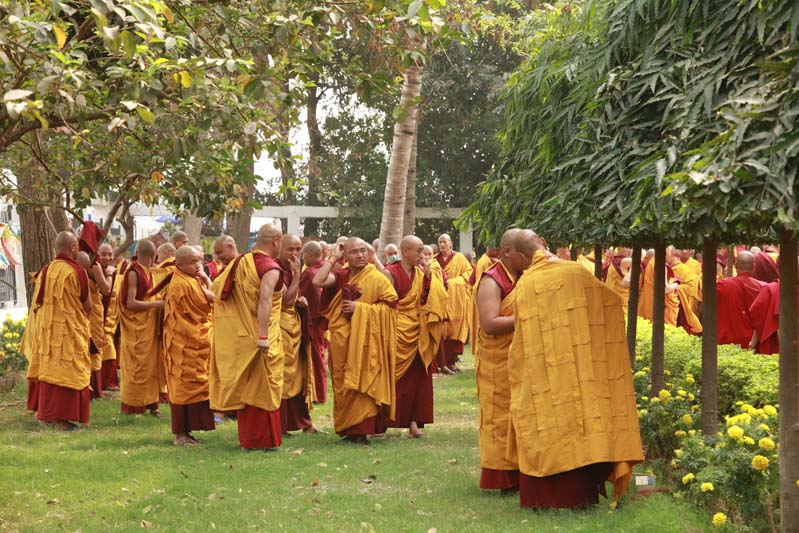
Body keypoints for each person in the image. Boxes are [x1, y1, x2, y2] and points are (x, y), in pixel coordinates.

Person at [508, 229, 643, 509]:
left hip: (543, 369)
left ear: (521, 255)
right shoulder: (577, 271)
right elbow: (610, 302)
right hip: (581, 365)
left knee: (545, 419)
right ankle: (582, 494)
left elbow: (522, 338)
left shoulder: (527, 283)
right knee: (582, 418)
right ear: (544, 243)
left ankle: (546, 496)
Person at [313, 237, 398, 444]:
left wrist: (360, 309)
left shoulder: (377, 278)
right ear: (346, 255)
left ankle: (362, 430)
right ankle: (349, 429)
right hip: (341, 339)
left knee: (363, 377)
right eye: (354, 252)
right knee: (342, 379)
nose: (360, 255)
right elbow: (318, 281)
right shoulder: (341, 276)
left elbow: (391, 309)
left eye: (363, 251)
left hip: (367, 341)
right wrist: (333, 258)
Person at [209, 223, 285, 450]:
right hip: (261, 336)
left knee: (250, 388)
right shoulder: (269, 267)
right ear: (276, 241)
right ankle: (261, 441)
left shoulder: (240, 262)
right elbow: (265, 301)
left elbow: (216, 291)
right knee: (263, 388)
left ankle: (251, 441)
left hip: (241, 335)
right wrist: (262, 335)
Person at [474, 229, 529, 492]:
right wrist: (529, 318)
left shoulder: (524, 277)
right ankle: (501, 475)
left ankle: (523, 469)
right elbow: (489, 323)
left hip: (522, 358)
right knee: (499, 416)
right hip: (498, 360)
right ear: (508, 252)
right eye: (525, 254)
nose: (530, 259)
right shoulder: (492, 280)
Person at [26, 232, 93, 430]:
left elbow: (37, 303)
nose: (78, 249)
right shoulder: (77, 271)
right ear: (72, 247)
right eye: (77, 245)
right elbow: (88, 305)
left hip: (48, 332)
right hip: (69, 331)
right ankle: (61, 419)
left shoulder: (46, 270)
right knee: (67, 370)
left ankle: (45, 415)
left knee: (50, 369)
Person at [382, 235, 447, 438]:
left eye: (423, 251)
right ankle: (382, 422)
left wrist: (428, 277)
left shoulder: (421, 273)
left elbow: (428, 300)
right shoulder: (389, 273)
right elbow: (383, 303)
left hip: (417, 331)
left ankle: (413, 423)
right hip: (397, 330)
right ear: (405, 251)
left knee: (417, 379)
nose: (422, 255)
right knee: (392, 378)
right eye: (418, 251)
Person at [162, 246, 216, 446]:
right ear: (179, 264)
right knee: (183, 385)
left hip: (194, 341)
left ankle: (186, 432)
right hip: (183, 344)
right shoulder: (182, 284)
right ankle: (180, 434)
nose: (197, 265)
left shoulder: (190, 279)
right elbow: (213, 299)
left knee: (194, 383)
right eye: (192, 262)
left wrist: (205, 278)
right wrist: (208, 283)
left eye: (199, 261)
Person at [278, 235, 320, 434]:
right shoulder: (275, 270)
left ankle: (304, 423)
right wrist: (296, 275)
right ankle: (282, 424)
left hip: (293, 323)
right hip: (279, 327)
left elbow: (292, 298)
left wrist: (300, 302)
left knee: (299, 373)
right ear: (279, 247)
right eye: (290, 249)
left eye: (298, 250)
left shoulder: (290, 269)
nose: (295, 254)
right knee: (284, 375)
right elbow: (285, 300)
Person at [118, 239, 165, 416]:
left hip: (148, 328)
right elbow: (130, 303)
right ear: (153, 255)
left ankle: (152, 405)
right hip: (136, 330)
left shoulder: (147, 272)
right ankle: (132, 406)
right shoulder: (133, 273)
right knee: (136, 367)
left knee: (150, 367)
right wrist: (156, 305)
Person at [76, 251, 112, 400]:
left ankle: (88, 388)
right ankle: (93, 390)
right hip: (90, 309)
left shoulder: (74, 265)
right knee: (94, 345)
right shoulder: (93, 266)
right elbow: (106, 289)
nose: (107, 258)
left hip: (82, 310)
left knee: (90, 345)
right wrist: (109, 274)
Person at [435, 234, 473, 373]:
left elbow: (469, 274)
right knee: (441, 330)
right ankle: (442, 362)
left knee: (455, 329)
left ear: (450, 243)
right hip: (441, 299)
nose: (442, 244)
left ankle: (451, 362)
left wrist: (451, 283)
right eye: (440, 242)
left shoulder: (459, 258)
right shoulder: (435, 260)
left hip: (456, 300)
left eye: (444, 242)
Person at [298, 240, 328, 404]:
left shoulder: (310, 273)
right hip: (321, 320)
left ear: (309, 254)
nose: (303, 258)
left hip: (313, 321)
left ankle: (318, 394)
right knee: (319, 355)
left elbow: (302, 295)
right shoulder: (324, 269)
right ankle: (319, 393)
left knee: (315, 356)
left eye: (303, 255)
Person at [716, 251, 766, 349]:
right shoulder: (764, 288)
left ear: (735, 265)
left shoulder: (721, 286)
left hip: (727, 342)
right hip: (754, 343)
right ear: (754, 266)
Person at [97, 243, 121, 390]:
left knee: (109, 345)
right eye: (104, 254)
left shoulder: (116, 272)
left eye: (110, 254)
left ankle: (108, 381)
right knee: (107, 346)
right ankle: (108, 381)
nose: (107, 258)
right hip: (98, 318)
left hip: (112, 318)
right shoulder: (95, 270)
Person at [667, 246, 703, 335]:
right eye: (681, 249)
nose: (684, 251)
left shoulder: (686, 267)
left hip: (684, 300)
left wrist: (676, 288)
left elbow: (692, 285)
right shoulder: (668, 267)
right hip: (671, 300)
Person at [749, 279, 781, 355]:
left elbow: (759, 316)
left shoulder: (771, 288)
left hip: (774, 349)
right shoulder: (772, 288)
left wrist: (752, 345)